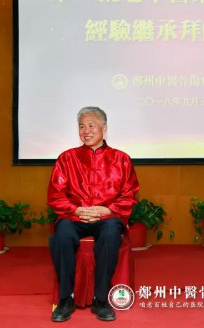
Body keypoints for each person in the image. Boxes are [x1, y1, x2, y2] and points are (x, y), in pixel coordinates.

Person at [48, 106, 139, 323]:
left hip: (108, 216)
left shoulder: (121, 159)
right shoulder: (67, 158)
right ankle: (66, 298)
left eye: (91, 126)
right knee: (62, 234)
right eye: (82, 126)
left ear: (104, 128)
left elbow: (129, 194)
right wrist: (76, 210)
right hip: (74, 215)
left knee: (110, 233)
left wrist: (107, 210)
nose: (86, 131)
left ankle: (101, 299)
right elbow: (55, 194)